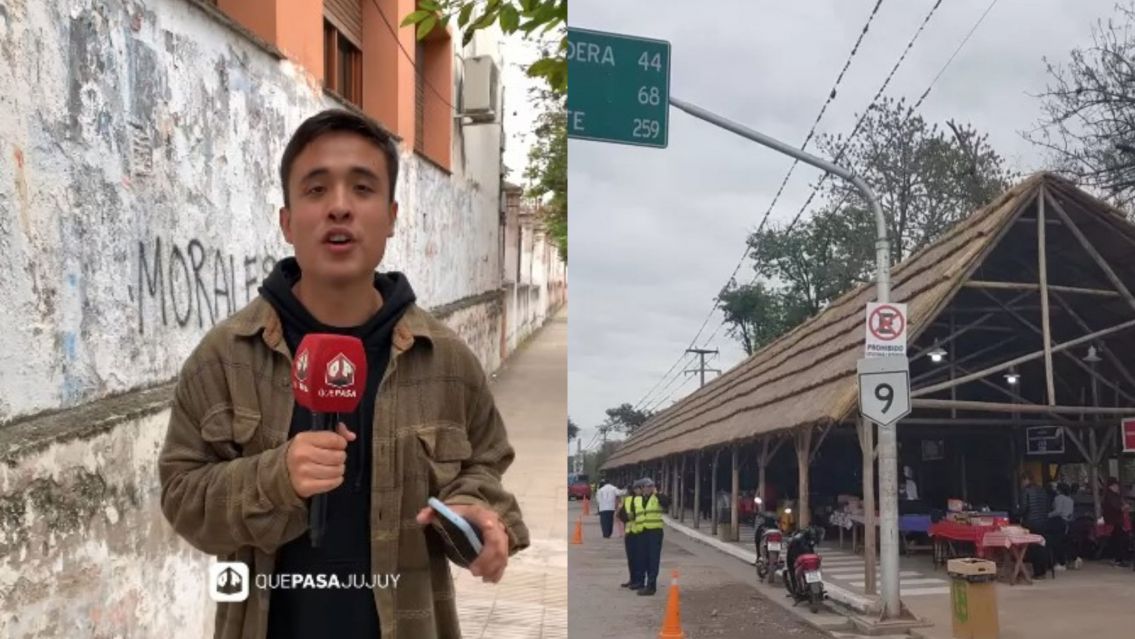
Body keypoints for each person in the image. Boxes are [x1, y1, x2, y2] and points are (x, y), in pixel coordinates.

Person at [158, 109, 529, 639]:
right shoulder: (225, 357)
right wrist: (277, 476)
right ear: (287, 221)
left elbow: (484, 465)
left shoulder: (446, 361)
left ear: (392, 215)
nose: (339, 207)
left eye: (362, 188)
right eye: (315, 190)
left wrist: (479, 515)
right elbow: (182, 499)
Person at [634, 477, 670, 596]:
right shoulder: (639, 499)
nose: (650, 488)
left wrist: (657, 493)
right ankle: (645, 583)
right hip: (642, 532)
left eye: (651, 486)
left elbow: (667, 502)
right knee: (644, 559)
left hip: (655, 532)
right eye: (647, 486)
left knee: (653, 559)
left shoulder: (657, 498)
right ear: (642, 488)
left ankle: (651, 586)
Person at [1019, 474, 1051, 577]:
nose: (1021, 484)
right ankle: (1043, 570)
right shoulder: (1042, 490)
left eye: (1022, 481)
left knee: (1033, 547)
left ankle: (1037, 572)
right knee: (1041, 545)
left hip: (1031, 522)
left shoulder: (1026, 491)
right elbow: (1048, 506)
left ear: (1026, 480)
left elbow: (1024, 508)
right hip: (1043, 521)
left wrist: (1016, 513)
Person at [1047, 482, 1078, 570]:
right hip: (1069, 522)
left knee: (1058, 542)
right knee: (1066, 542)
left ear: (1059, 490)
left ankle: (1060, 563)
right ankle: (1072, 559)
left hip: (1059, 522)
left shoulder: (1058, 498)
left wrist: (1047, 515)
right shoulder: (1070, 499)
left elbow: (1057, 511)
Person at [620, 481, 644, 589]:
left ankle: (639, 581)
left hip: (641, 532)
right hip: (630, 532)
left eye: (640, 488)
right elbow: (621, 514)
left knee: (640, 558)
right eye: (636, 488)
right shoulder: (628, 499)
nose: (638, 490)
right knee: (631, 558)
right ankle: (632, 579)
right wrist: (627, 517)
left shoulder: (646, 499)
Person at [1103, 477, 1131, 567]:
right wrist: (1125, 507)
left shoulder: (1112, 495)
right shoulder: (1111, 496)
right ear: (1112, 486)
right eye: (1116, 485)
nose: (1117, 487)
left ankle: (1117, 559)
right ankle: (1118, 559)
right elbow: (1117, 508)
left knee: (1116, 540)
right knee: (1119, 541)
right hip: (1115, 522)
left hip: (1114, 521)